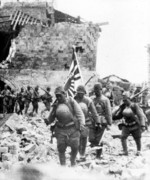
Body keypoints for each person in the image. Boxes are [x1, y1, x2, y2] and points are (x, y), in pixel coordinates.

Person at [47, 86, 85, 166]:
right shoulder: (56, 104)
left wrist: (82, 125)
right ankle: (63, 167)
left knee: (75, 147)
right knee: (61, 149)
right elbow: (51, 118)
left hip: (73, 129)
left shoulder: (71, 101)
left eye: (60, 96)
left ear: (64, 94)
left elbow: (80, 114)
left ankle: (72, 162)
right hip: (60, 130)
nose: (59, 98)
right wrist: (47, 120)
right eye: (57, 96)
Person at [113, 91, 146, 156]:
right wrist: (114, 114)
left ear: (129, 99)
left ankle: (139, 151)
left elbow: (140, 115)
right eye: (123, 100)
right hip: (126, 125)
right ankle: (125, 151)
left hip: (135, 124)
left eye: (126, 100)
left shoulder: (134, 106)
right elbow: (119, 116)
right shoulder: (123, 107)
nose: (124, 101)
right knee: (123, 137)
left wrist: (142, 125)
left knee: (137, 138)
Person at [74, 85, 100, 161]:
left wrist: (97, 121)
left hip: (86, 122)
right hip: (76, 122)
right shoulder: (74, 100)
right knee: (77, 138)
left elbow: (94, 112)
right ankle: (78, 153)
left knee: (84, 138)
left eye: (81, 93)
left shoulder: (88, 101)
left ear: (84, 93)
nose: (80, 94)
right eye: (78, 93)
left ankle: (82, 153)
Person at [90, 82, 112, 159]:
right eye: (95, 91)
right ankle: (95, 151)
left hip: (102, 121)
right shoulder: (92, 99)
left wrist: (109, 122)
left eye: (97, 90)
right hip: (92, 120)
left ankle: (98, 155)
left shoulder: (105, 100)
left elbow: (108, 112)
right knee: (91, 138)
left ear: (101, 90)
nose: (96, 92)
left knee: (99, 139)